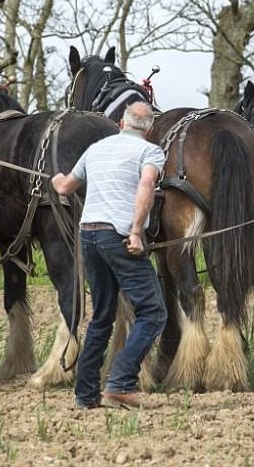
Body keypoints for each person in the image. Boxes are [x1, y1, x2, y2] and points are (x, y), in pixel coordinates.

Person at [51, 101, 167, 410]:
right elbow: (147, 184)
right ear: (149, 130)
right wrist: (136, 231)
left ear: (121, 123)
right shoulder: (151, 152)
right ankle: (120, 384)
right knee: (153, 312)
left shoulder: (96, 149)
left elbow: (65, 187)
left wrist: (55, 179)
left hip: (89, 234)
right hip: (118, 236)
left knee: (102, 317)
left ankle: (86, 394)